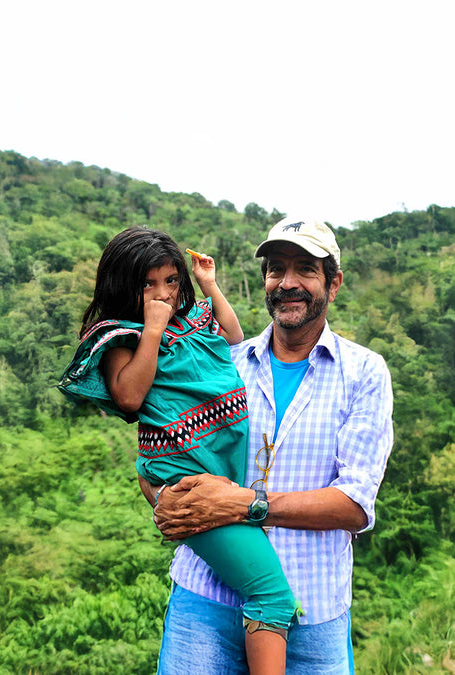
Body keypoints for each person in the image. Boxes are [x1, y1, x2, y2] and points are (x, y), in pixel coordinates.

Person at [148, 217, 394, 675]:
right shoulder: (226, 363)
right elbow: (167, 447)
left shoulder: (364, 373)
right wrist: (165, 500)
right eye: (276, 268)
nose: (288, 282)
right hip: (206, 601)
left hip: (313, 609)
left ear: (333, 283)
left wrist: (244, 504)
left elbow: (355, 505)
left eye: (305, 269)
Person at [57, 226, 299, 675]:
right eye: (147, 284)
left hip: (221, 470)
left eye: (170, 281)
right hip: (186, 479)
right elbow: (129, 396)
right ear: (122, 285)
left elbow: (233, 335)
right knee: (271, 595)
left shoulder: (193, 317)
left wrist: (208, 284)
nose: (162, 294)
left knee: (261, 588)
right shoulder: (121, 336)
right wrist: (152, 328)